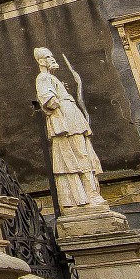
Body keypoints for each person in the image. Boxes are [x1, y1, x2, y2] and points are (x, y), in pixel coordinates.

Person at [34, 46, 106, 210]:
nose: (52, 59)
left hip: (72, 119)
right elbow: (49, 100)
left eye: (52, 56)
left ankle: (88, 195)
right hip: (66, 121)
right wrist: (63, 102)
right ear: (41, 61)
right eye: (48, 57)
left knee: (84, 155)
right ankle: (89, 195)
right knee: (79, 156)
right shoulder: (43, 78)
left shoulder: (52, 78)